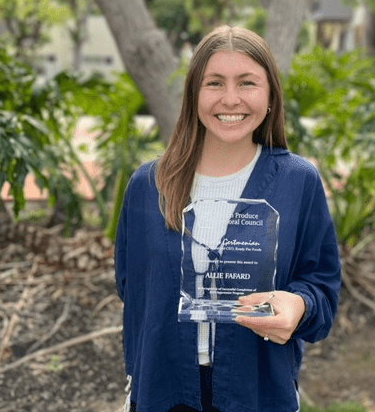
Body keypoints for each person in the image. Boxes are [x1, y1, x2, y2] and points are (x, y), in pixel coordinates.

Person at [115, 25, 341, 412]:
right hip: (165, 390)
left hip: (256, 392)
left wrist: (297, 306)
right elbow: (131, 286)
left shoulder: (298, 183)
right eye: (215, 83)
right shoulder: (147, 185)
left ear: (270, 95)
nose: (231, 99)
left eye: (248, 83)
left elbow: (321, 286)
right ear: (194, 96)